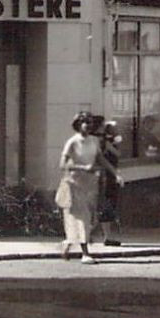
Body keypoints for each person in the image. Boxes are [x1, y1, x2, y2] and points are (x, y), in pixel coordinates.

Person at [57, 113, 115, 264]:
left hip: (91, 184)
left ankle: (69, 242)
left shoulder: (94, 141)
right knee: (82, 218)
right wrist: (83, 167)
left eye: (90, 123)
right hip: (74, 184)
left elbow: (101, 159)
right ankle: (85, 253)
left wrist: (115, 173)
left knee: (90, 218)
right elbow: (62, 165)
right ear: (78, 124)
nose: (88, 125)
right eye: (84, 122)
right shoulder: (72, 142)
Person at [96, 120, 123, 247]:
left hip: (111, 176)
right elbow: (117, 154)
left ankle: (108, 236)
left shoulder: (109, 143)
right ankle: (107, 236)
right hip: (106, 177)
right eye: (114, 129)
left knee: (111, 205)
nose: (117, 132)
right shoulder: (105, 144)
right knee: (107, 205)